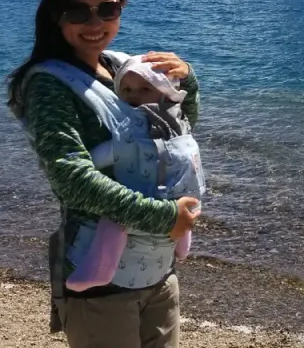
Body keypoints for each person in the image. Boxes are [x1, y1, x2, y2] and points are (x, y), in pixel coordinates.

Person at [7, 0, 200, 348]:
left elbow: (176, 133)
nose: (94, 22)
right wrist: (165, 217)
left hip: (157, 270)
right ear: (56, 14)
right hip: (102, 278)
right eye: (78, 10)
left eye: (107, 9)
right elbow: (71, 177)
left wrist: (186, 83)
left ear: (121, 9)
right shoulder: (48, 84)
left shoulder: (121, 67)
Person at [67, 54, 205, 292]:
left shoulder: (132, 123)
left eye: (144, 89)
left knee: (115, 221)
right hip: (180, 190)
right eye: (127, 89)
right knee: (189, 205)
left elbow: (111, 151)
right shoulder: (177, 120)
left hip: (144, 193)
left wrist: (85, 162)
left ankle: (100, 270)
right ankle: (183, 247)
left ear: (164, 91)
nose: (133, 96)